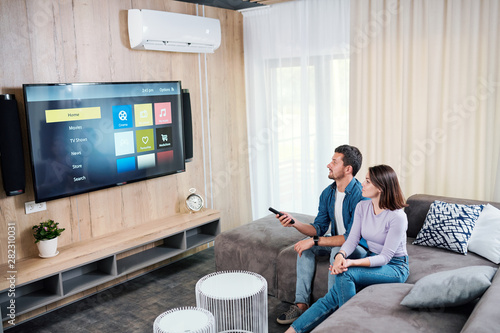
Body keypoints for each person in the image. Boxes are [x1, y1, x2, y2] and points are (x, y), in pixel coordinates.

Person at [285, 164, 410, 333]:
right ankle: (292, 331)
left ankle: (347, 327)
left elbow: (385, 258)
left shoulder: (397, 217)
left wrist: (351, 262)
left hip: (395, 267)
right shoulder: (363, 207)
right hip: (372, 257)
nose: (362, 185)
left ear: (380, 187)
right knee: (331, 296)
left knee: (347, 273)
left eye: (367, 181)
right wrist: (340, 256)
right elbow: (351, 240)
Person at [275, 145, 368, 325]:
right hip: (337, 241)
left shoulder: (360, 197)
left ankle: (331, 308)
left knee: (336, 252)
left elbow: (351, 238)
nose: (328, 165)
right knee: (305, 248)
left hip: (360, 247)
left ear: (348, 169)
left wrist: (315, 240)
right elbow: (318, 228)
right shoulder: (328, 193)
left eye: (334, 162)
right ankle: (301, 305)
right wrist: (294, 222)